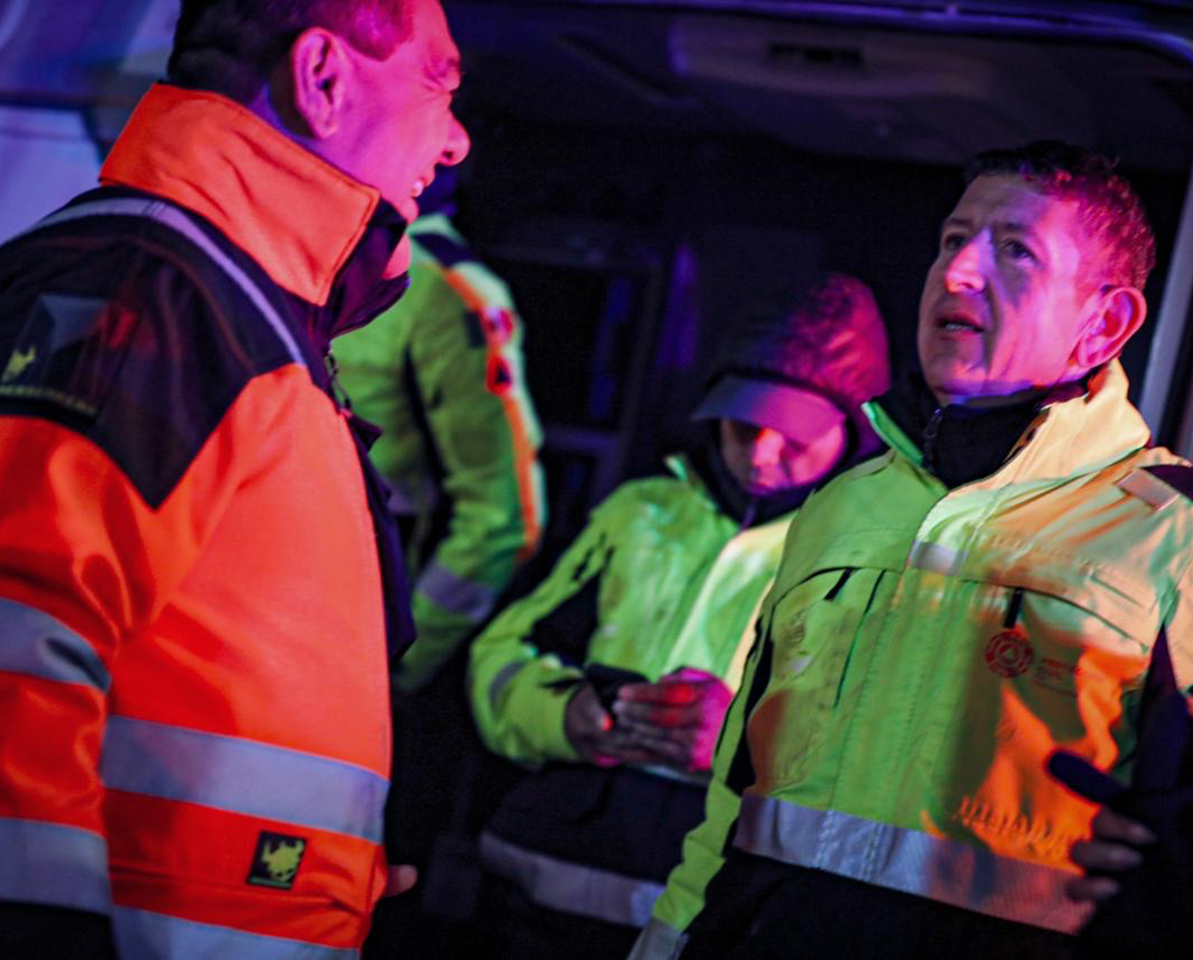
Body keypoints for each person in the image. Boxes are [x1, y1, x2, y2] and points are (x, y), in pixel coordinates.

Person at [631, 142, 1193, 959]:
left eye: (1015, 250)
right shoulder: (843, 507)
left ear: (1105, 324)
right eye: (952, 239)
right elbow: (735, 795)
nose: (960, 271)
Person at [0, 0, 469, 956]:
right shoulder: (158, 290)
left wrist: (321, 866)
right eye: (438, 85)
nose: (457, 139)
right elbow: (14, 641)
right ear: (323, 79)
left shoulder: (226, 306)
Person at [467, 273, 891, 957]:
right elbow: (499, 659)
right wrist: (565, 715)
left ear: (855, 429)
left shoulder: (875, 561)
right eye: (742, 423)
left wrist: (739, 749)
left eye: (792, 432)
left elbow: (887, 759)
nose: (760, 453)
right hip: (533, 891)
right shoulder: (640, 512)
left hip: (715, 917)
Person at [331, 172, 545, 693]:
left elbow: (500, 517)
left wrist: (398, 665)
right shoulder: (312, 253)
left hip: (357, 630)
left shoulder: (444, 289)